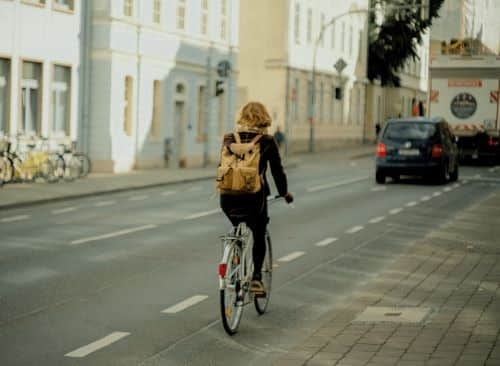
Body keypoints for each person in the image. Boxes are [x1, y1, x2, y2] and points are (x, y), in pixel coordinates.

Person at [219, 102, 294, 294]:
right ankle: (256, 279)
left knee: (237, 227)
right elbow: (277, 172)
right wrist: (284, 192)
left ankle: (233, 263)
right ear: (264, 118)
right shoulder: (267, 141)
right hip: (254, 199)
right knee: (259, 233)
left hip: (227, 198)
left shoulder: (228, 139)